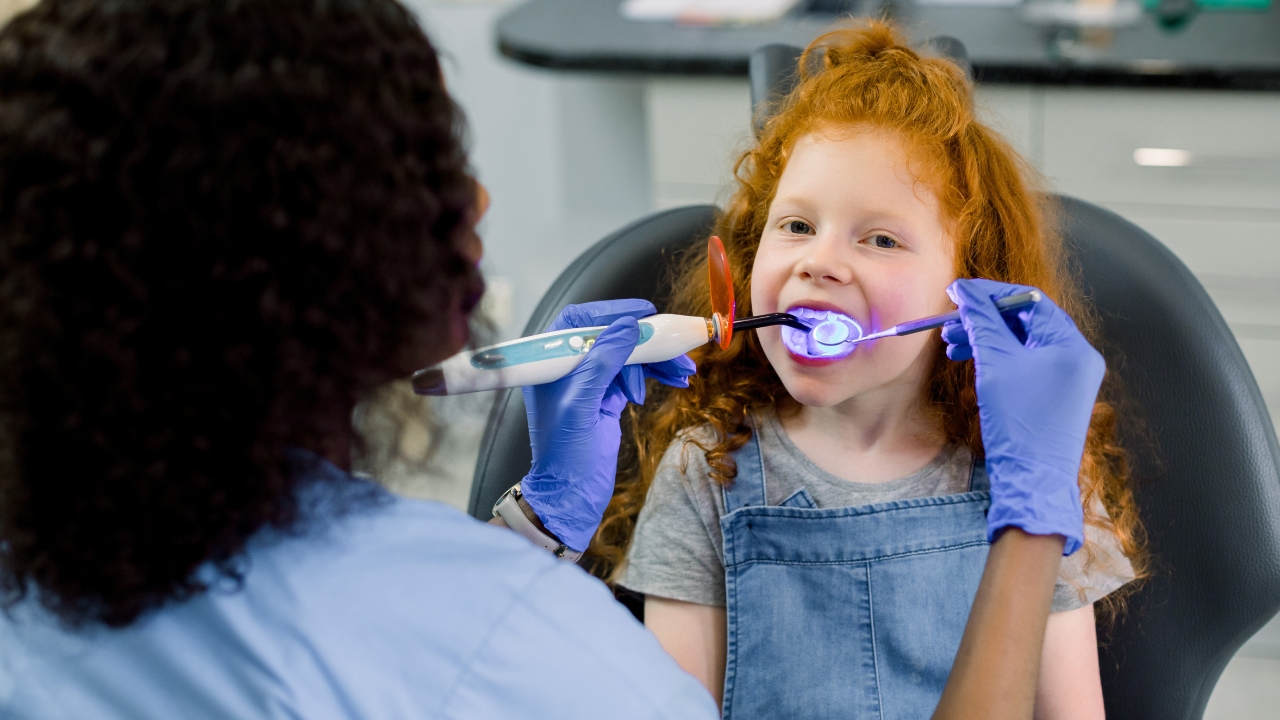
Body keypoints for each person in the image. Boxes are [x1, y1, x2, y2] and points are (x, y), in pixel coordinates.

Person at [0, 2, 1110, 719]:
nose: (479, 205)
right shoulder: (687, 493)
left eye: (877, 237)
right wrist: (1030, 526)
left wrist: (539, 528)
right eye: (793, 225)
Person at [591, 22, 1148, 720]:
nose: (818, 260)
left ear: (967, 288)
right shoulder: (707, 472)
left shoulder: (1037, 472)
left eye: (880, 238)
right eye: (795, 225)